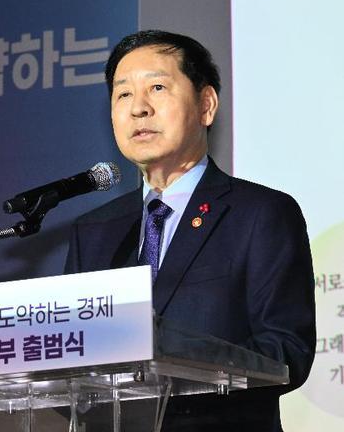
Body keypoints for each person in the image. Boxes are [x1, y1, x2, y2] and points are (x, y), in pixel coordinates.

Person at [64, 30, 315, 431]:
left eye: (157, 88)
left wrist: (171, 365)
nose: (138, 108)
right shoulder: (94, 231)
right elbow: (70, 359)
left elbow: (286, 351)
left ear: (206, 105)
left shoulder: (261, 214)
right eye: (123, 94)